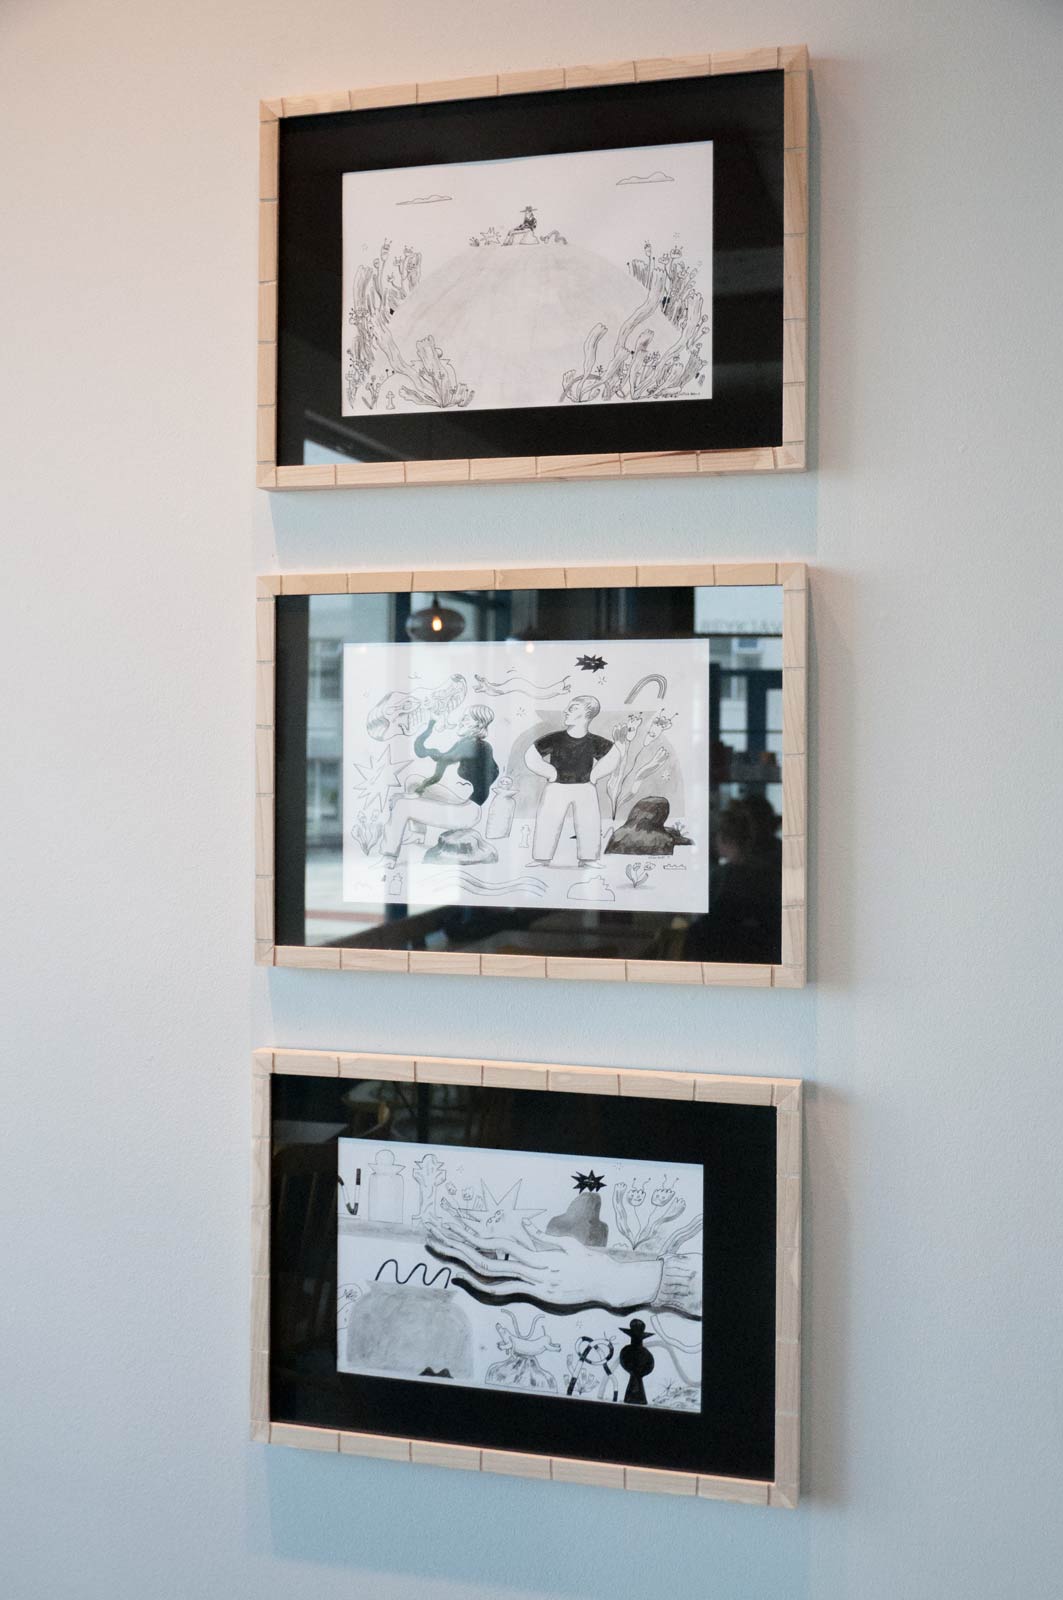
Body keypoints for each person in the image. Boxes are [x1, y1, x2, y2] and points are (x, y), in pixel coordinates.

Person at [381, 705, 498, 861]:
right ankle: (417, 835)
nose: (461, 721)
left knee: (401, 805)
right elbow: (494, 772)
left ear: (477, 723)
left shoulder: (474, 746)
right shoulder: (474, 744)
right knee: (413, 782)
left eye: (466, 718)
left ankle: (389, 857)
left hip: (466, 812)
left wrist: (414, 795)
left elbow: (438, 758)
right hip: (465, 802)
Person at [525, 696, 619, 867]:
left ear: (587, 714)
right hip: (556, 787)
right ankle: (541, 858)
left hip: (585, 787)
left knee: (588, 821)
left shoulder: (594, 741)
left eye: (573, 708)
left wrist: (595, 775)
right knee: (548, 820)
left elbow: (614, 755)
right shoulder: (555, 739)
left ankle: (588, 858)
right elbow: (531, 755)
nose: (566, 711)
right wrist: (549, 772)